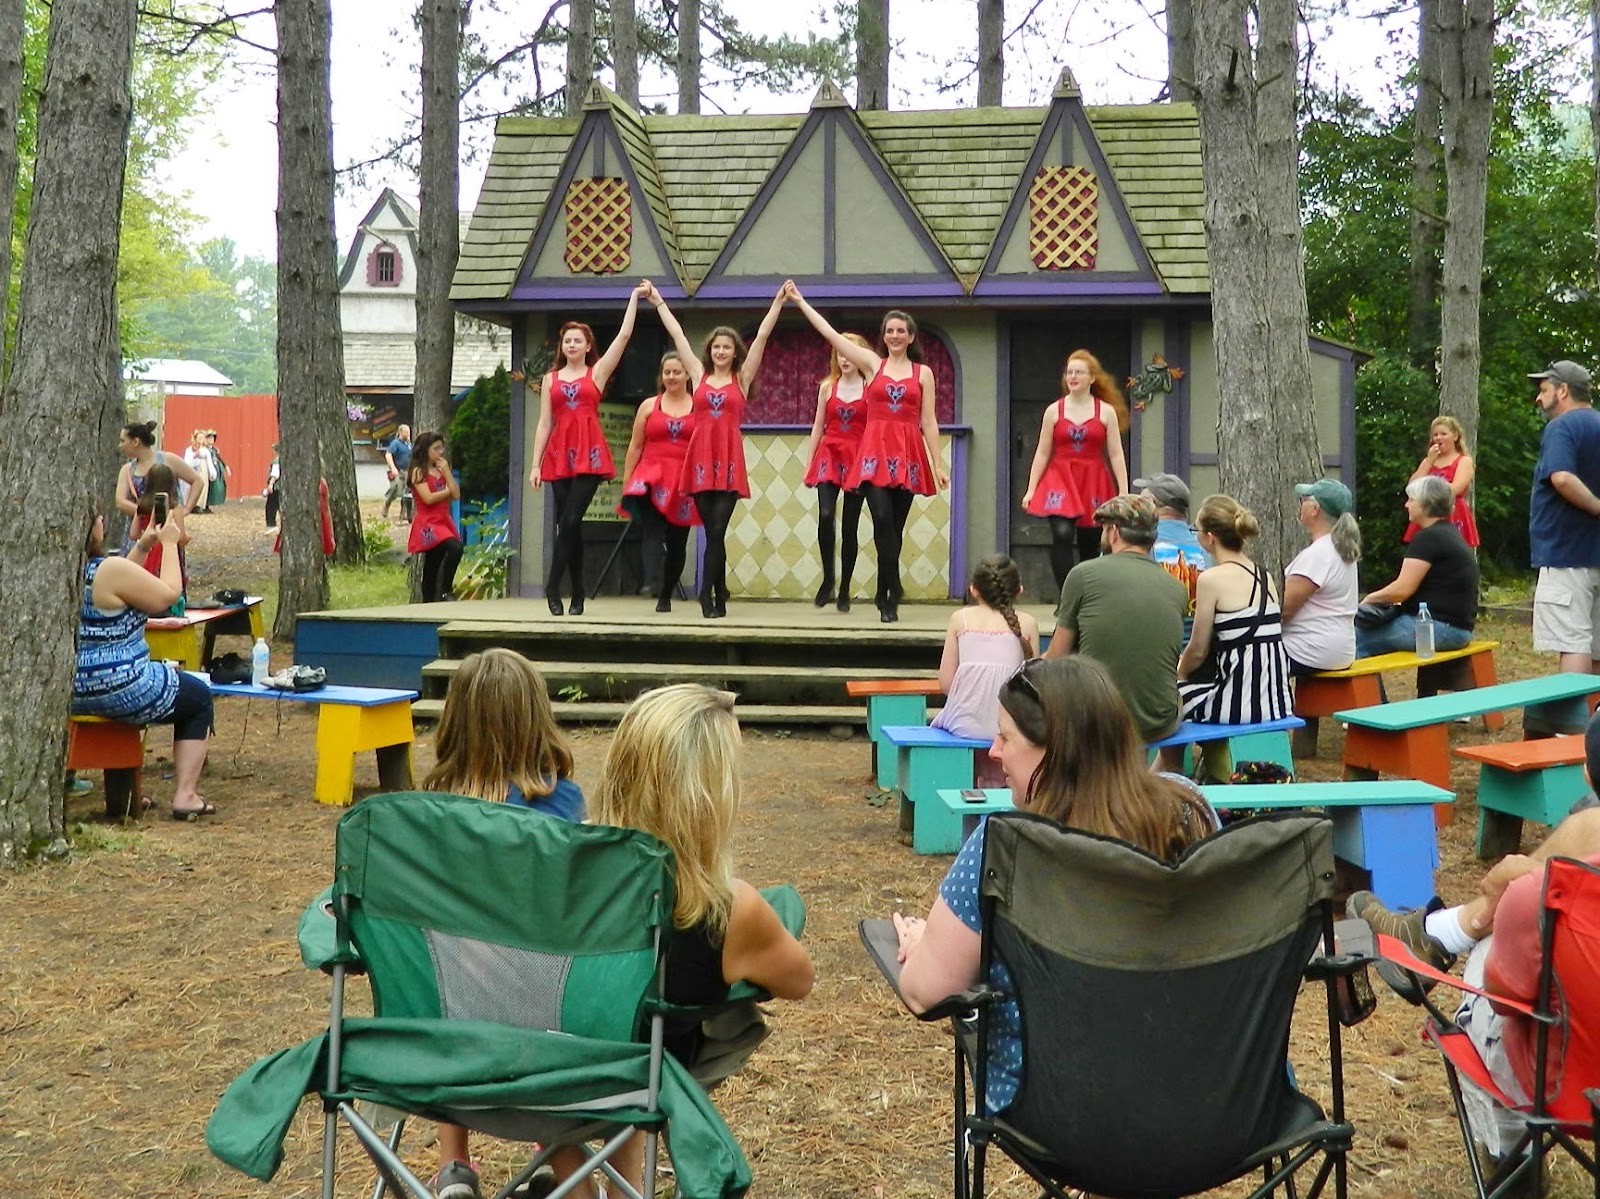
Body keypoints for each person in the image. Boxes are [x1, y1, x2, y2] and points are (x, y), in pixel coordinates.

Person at [891, 656, 1216, 1115]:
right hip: (1208, 1099)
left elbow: (925, 992)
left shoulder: (1005, 846)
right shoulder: (1187, 810)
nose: (994, 751)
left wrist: (923, 944)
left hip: (1056, 1113)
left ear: (1056, 751)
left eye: (1006, 737)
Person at [556, 683, 813, 1198]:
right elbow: (799, 981)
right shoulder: (729, 910)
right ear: (710, 797)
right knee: (648, 1034)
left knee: (595, 1027)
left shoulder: (559, 872)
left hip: (544, 1076)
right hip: (648, 1077)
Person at [1348, 710, 1600, 1163]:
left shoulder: (1531, 897)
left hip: (1569, 1085)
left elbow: (1507, 1001)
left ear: (1586, 773)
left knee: (1496, 951)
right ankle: (1438, 934)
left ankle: (1513, 1159)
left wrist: (1530, 880)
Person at [421, 647, 583, 1199]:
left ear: (456, 723)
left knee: (455, 971)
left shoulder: (426, 815)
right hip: (546, 1011)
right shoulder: (564, 803)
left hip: (447, 1015)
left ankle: (454, 1167)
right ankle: (547, 1150)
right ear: (537, 718)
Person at [785, 283, 948, 623]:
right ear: (883, 336)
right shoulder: (873, 364)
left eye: (901, 331)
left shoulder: (924, 374)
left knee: (895, 528)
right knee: (882, 519)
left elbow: (929, 421)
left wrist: (938, 463)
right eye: (889, 331)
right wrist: (800, 302)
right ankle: (892, 590)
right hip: (874, 454)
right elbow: (832, 336)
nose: (895, 335)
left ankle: (884, 591)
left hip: (907, 453)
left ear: (911, 337)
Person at [646, 281, 787, 619]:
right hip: (699, 459)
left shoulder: (742, 378)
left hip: (728, 461)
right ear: (710, 351)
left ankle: (706, 594)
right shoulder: (698, 374)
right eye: (716, 347)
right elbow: (678, 335)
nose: (721, 352)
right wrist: (658, 300)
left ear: (735, 352)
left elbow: (763, 336)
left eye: (727, 347)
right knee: (712, 532)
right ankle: (719, 593)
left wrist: (779, 302)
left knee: (718, 530)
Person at [73, 508, 215, 820]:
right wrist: (170, 543)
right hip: (121, 683)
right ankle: (186, 795)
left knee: (129, 704)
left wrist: (143, 545)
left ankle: (127, 794)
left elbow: (121, 583)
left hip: (72, 688)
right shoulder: (107, 568)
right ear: (88, 528)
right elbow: (168, 596)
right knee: (198, 697)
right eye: (97, 517)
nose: (102, 520)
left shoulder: (68, 570)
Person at [529, 284, 648, 616]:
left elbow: (624, 336)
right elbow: (544, 423)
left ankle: (553, 586)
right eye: (567, 340)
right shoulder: (551, 379)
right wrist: (535, 464)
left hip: (589, 454)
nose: (571, 344)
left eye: (577, 340)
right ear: (562, 346)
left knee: (570, 520)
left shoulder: (597, 373)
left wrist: (634, 298)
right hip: (558, 456)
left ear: (588, 345)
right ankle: (579, 591)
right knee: (569, 526)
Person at [1043, 494, 1187, 744]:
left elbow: (1056, 659)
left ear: (1114, 533)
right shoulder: (1176, 587)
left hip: (1098, 722)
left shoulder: (1083, 575)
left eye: (1103, 528)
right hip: (1158, 723)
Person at [1176, 494, 1293, 727]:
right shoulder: (1264, 576)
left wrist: (1179, 672)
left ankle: (1186, 755)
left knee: (1172, 695)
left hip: (1238, 706)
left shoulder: (1211, 579)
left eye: (1196, 530)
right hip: (1276, 703)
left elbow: (1198, 650)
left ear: (1210, 538)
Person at [1021, 350, 1130, 592]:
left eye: (1078, 372)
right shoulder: (1054, 411)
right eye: (1069, 372)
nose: (1072, 376)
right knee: (1062, 533)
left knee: (1090, 542)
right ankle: (1066, 595)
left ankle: (1086, 595)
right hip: (1060, 477)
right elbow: (1042, 452)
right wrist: (1031, 489)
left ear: (1092, 378)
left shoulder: (1106, 412)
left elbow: (1115, 453)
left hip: (1093, 479)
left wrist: (1123, 491)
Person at [1529, 360, 1600, 675]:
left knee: (1573, 644)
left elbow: (1562, 478)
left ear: (1563, 390)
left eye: (1544, 390)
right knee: (1597, 648)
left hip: (1566, 556)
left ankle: (1575, 711)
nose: (1538, 398)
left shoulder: (1561, 427)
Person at [1356, 474, 1478, 657]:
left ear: (1426, 504)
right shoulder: (1449, 534)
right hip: (1458, 629)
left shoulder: (1428, 538)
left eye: (1411, 500)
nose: (1406, 505)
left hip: (1437, 628)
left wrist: (1368, 600)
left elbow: (1402, 590)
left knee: (1355, 639)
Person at [618, 352, 700, 614]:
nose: (671, 377)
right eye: (667, 372)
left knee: (677, 540)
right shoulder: (648, 406)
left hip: (683, 479)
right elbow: (635, 446)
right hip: (651, 474)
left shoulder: (699, 406)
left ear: (687, 375)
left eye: (677, 372)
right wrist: (627, 480)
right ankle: (651, 580)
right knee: (652, 529)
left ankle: (665, 593)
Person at [931, 554, 1039, 748]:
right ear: (1019, 591)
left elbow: (946, 684)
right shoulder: (1028, 624)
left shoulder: (960, 619)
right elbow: (1034, 686)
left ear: (973, 590)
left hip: (962, 725)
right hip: (1010, 728)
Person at [800, 334, 870, 611]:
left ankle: (845, 588)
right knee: (826, 514)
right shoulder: (827, 387)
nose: (845, 358)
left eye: (850, 353)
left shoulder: (870, 387)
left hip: (857, 455)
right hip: (829, 453)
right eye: (840, 353)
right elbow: (818, 425)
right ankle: (828, 577)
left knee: (850, 526)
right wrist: (809, 462)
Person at [1282, 478, 1361, 675]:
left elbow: (1284, 610)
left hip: (1309, 650)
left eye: (1305, 499)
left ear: (1315, 509)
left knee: (1242, 655)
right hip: (1341, 650)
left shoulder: (1318, 554)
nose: (1301, 503)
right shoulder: (1342, 549)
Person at [1137, 471, 1211, 632]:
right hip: (1200, 636)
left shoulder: (1134, 540)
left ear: (1150, 503)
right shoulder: (1207, 542)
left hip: (1154, 635)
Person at [116, 422, 203, 545]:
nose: (120, 446)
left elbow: (197, 481)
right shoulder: (127, 470)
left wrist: (187, 509)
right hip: (140, 534)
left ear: (136, 442)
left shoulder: (169, 460)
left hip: (156, 532)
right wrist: (156, 513)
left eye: (123, 441)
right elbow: (120, 501)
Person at [1404, 415, 1478, 548]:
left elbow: (1456, 488)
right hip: (1427, 512)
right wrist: (1428, 461)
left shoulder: (1464, 461)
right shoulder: (1429, 461)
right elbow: (1413, 486)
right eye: (1435, 435)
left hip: (1453, 511)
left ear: (1455, 436)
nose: (1438, 438)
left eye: (1443, 434)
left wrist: (1429, 492)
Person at [407, 430, 463, 604]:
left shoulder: (442, 470)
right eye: (436, 449)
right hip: (428, 522)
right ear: (425, 450)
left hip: (443, 519)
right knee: (454, 547)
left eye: (441, 448)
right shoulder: (418, 471)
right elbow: (428, 498)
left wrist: (447, 473)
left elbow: (456, 495)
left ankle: (432, 598)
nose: (440, 452)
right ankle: (444, 591)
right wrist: (447, 491)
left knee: (434, 560)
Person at [128, 464, 190, 608]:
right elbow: (180, 536)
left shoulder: (142, 506)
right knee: (168, 584)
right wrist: (185, 538)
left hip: (146, 551)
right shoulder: (175, 507)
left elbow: (133, 534)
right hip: (167, 553)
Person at [381, 424, 413, 522]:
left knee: (407, 493)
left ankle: (406, 513)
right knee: (395, 487)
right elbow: (388, 455)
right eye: (406, 432)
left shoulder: (409, 445)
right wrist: (393, 468)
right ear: (400, 432)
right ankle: (387, 503)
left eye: (409, 432)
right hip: (398, 471)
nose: (408, 434)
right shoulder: (395, 443)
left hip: (408, 471)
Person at [183, 429, 214, 514]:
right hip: (193, 470)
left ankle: (200, 505)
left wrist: (212, 472)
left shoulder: (205, 450)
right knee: (192, 486)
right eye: (199, 438)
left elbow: (209, 462)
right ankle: (192, 504)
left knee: (203, 486)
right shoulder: (190, 450)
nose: (201, 440)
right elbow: (187, 461)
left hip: (203, 470)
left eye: (202, 438)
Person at [204, 430, 231, 509]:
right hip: (207, 470)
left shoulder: (215, 450)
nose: (211, 439)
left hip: (215, 469)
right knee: (208, 487)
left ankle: (209, 504)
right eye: (209, 438)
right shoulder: (204, 450)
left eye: (212, 438)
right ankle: (205, 505)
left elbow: (220, 458)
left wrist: (226, 467)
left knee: (216, 487)